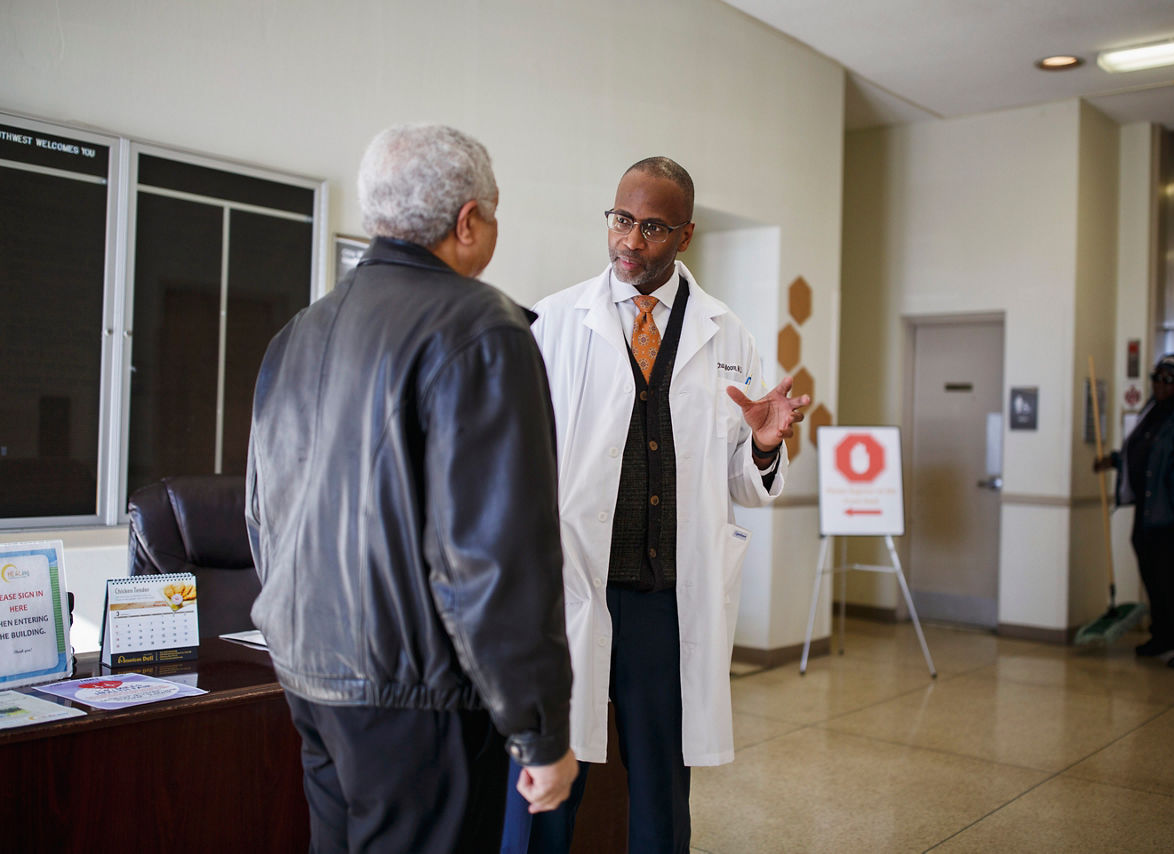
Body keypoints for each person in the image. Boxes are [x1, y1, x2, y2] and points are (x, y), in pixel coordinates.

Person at [246, 124, 577, 853]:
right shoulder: (481, 326)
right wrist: (540, 727)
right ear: (469, 222)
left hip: (311, 679)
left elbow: (263, 516)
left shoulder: (299, 332)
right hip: (418, 700)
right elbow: (495, 556)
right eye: (494, 212)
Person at [501, 157, 809, 854]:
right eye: (621, 220)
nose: (630, 241)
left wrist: (761, 444)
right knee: (548, 782)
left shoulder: (727, 335)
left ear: (685, 235)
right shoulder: (552, 323)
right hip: (570, 592)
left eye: (652, 227)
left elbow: (740, 478)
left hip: (663, 601)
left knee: (662, 787)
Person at [1095, 353, 1174, 669]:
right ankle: (1163, 636)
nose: (1162, 385)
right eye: (1157, 378)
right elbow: (1147, 456)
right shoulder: (1152, 412)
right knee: (1154, 580)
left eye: (1169, 379)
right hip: (1149, 513)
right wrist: (1115, 460)